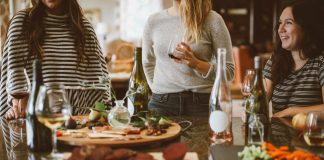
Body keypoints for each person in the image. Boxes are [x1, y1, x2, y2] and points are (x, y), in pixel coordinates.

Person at [0, 0, 111, 119]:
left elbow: (99, 82)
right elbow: (15, 75)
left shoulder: (84, 27)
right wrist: (17, 108)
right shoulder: (22, 22)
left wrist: (98, 117)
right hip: (35, 115)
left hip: (78, 119)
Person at [142, 0, 234, 116]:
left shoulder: (212, 19)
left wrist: (196, 64)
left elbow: (229, 71)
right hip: (161, 104)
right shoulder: (153, 21)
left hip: (202, 104)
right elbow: (147, 62)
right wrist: (157, 89)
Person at [263, 0, 324, 117]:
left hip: (310, 135)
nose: (280, 30)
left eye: (288, 23)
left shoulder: (321, 61)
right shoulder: (276, 59)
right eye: (280, 23)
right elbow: (260, 99)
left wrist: (291, 112)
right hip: (279, 135)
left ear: (306, 28)